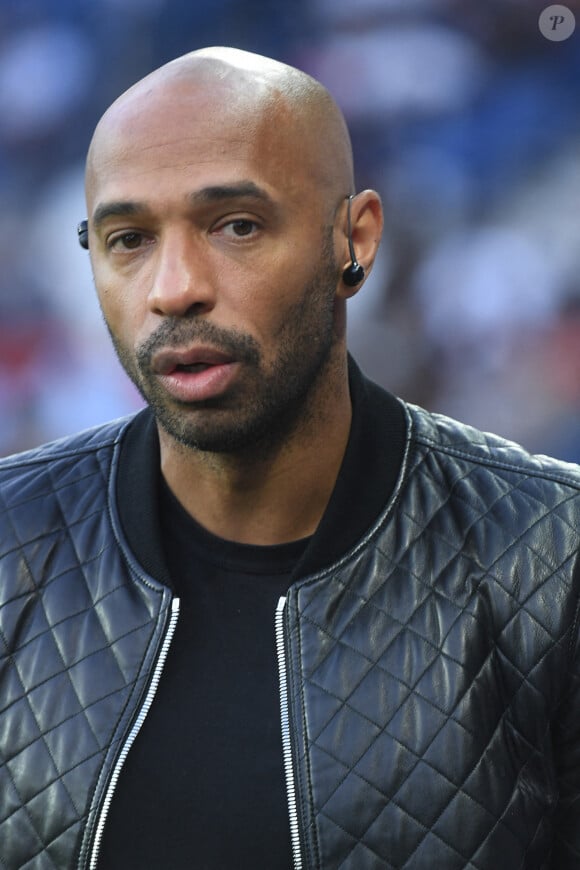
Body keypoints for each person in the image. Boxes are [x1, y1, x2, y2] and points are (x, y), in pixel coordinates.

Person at [0, 46, 579, 870]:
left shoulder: (555, 559)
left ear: (355, 238)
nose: (174, 287)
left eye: (236, 225)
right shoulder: (10, 546)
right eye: (128, 239)